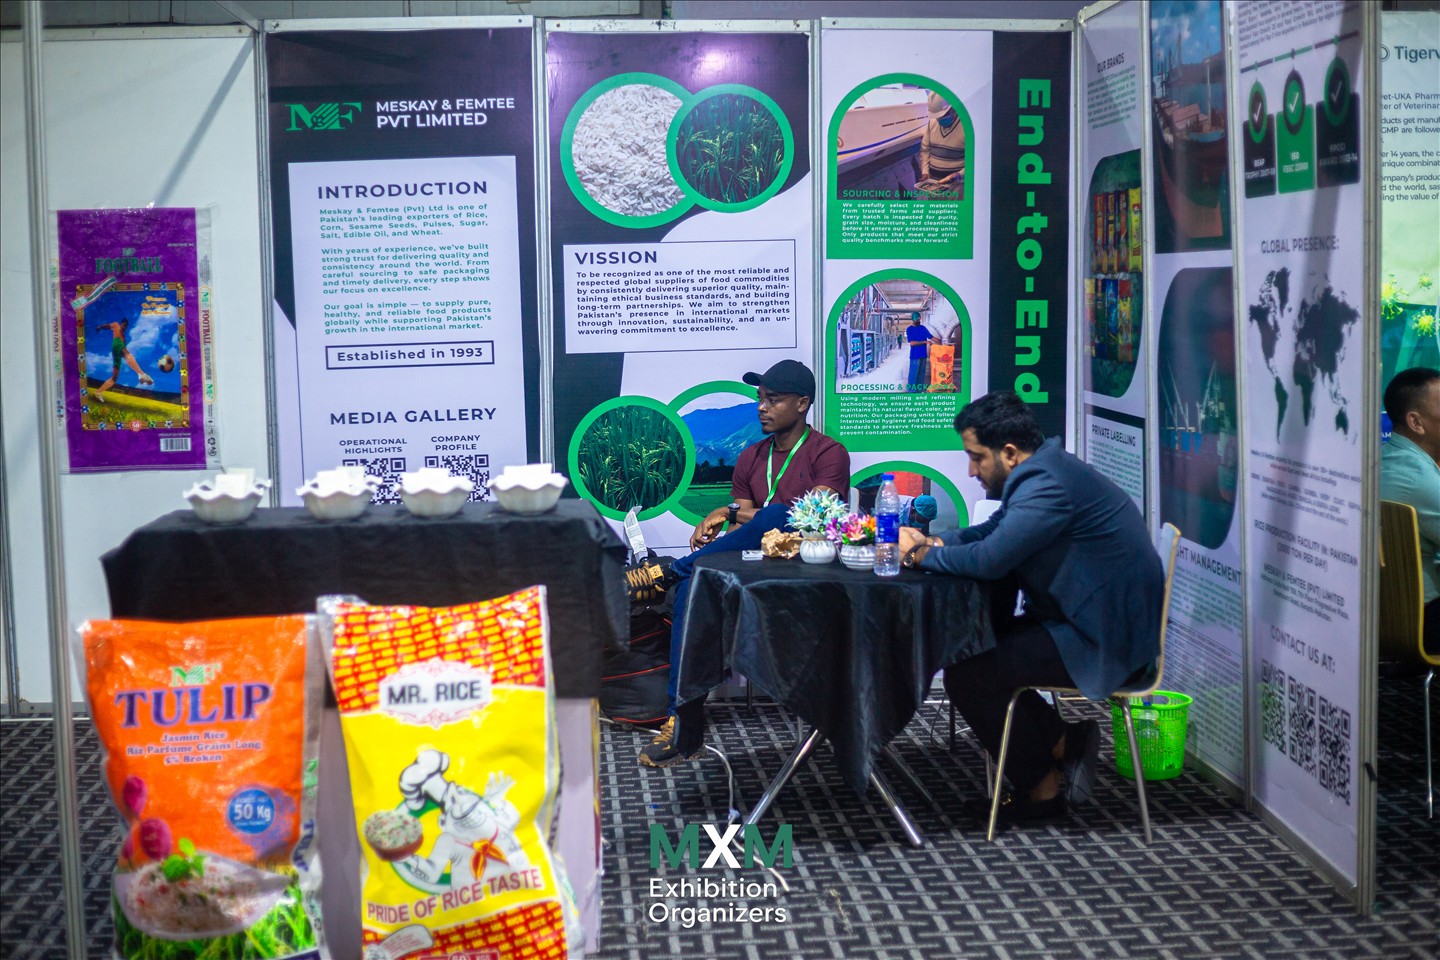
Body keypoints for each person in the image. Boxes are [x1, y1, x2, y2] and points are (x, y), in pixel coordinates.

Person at [898, 391, 1164, 824]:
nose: (971, 471)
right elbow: (994, 530)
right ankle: (1064, 742)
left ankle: (1043, 790)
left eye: (976, 458)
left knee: (970, 674)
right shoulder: (1043, 471)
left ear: (1009, 452)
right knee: (974, 653)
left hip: (1104, 638)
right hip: (1085, 618)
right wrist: (936, 541)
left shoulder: (1047, 485)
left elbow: (990, 560)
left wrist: (919, 555)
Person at [639, 360, 850, 767]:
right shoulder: (751, 456)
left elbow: (812, 517)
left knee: (779, 514)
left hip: (806, 571)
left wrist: (729, 511)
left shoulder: (829, 454)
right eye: (760, 399)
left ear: (802, 403)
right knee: (693, 585)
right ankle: (682, 725)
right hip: (753, 567)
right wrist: (731, 524)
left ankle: (670, 570)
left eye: (773, 400)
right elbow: (745, 533)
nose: (762, 408)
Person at [1380, 367, 1440, 647]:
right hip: (1426, 619)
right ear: (1416, 422)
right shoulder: (1420, 479)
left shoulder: (1383, 460)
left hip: (1386, 615)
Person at [91, 318, 153, 403]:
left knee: (114, 378)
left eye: (126, 326)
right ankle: (141, 374)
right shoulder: (116, 325)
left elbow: (125, 356)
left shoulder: (123, 338)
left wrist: (128, 358)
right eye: (124, 325)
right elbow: (108, 326)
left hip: (117, 352)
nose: (125, 327)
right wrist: (101, 327)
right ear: (121, 324)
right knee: (126, 352)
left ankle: (98, 392)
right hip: (116, 343)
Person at [919, 92, 965, 194]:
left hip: (956, 186)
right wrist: (925, 171)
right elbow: (925, 150)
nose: (940, 120)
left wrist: (959, 175)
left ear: (953, 109)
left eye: (943, 115)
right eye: (938, 117)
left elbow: (974, 160)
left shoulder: (966, 127)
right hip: (933, 184)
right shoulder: (932, 123)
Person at [905, 312, 940, 393]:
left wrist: (941, 341)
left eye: (919, 319)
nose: (918, 321)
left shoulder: (923, 328)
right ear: (913, 319)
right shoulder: (909, 329)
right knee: (913, 374)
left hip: (923, 355)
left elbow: (931, 337)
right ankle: (912, 391)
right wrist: (924, 342)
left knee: (921, 373)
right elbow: (912, 343)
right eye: (917, 320)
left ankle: (920, 390)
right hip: (915, 356)